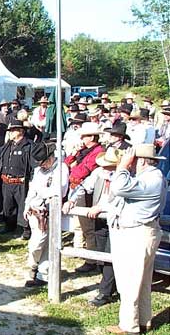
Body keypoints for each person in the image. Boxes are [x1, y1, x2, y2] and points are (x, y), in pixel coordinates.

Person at [105, 145, 166, 335]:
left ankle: (129, 326)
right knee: (142, 281)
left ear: (140, 160)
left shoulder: (152, 179)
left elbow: (119, 187)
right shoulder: (151, 177)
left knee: (129, 281)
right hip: (141, 232)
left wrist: (122, 167)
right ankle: (143, 320)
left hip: (138, 233)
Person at [63, 148, 121, 306]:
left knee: (111, 254)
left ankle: (105, 292)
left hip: (116, 221)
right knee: (100, 252)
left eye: (108, 165)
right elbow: (83, 187)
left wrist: (101, 207)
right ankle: (110, 285)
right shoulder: (99, 174)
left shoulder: (123, 177)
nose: (104, 167)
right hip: (100, 220)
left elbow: (119, 198)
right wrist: (72, 200)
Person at [24, 142, 69, 287]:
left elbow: (59, 191)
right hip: (34, 211)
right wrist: (27, 205)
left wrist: (42, 192)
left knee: (41, 243)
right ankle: (38, 270)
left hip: (48, 212)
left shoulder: (61, 169)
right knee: (37, 244)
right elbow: (32, 189)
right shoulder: (38, 171)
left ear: (50, 158)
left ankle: (40, 271)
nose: (41, 166)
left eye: (43, 162)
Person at [64, 122, 105, 272]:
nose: (82, 138)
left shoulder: (98, 152)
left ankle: (91, 259)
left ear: (92, 136)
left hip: (86, 191)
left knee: (87, 226)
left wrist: (73, 168)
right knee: (79, 224)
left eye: (85, 135)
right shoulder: (84, 151)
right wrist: (74, 154)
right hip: (76, 187)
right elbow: (66, 164)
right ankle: (82, 251)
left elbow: (82, 171)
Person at [0, 120, 33, 239]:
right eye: (11, 131)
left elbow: (32, 165)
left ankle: (26, 229)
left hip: (21, 181)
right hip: (7, 181)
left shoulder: (29, 146)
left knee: (23, 205)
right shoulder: (8, 145)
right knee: (8, 205)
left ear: (21, 131)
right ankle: (9, 225)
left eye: (13, 130)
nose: (11, 133)